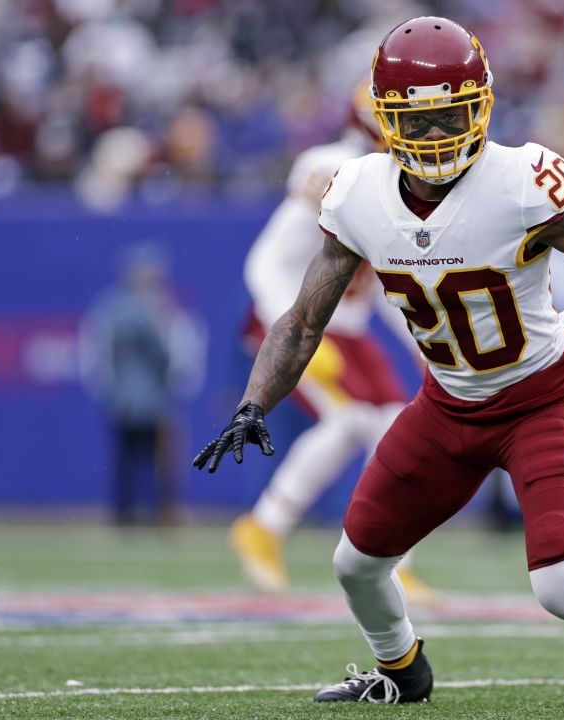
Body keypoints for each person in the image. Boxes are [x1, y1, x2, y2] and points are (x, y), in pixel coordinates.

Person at [194, 17, 564, 703]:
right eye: (414, 121)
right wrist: (254, 403)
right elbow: (304, 320)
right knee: (356, 565)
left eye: (448, 114)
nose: (432, 136)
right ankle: (401, 674)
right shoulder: (357, 193)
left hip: (537, 399)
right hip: (446, 404)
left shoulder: (520, 182)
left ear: (479, 105)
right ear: (384, 120)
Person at [232, 83, 435, 601]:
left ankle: (389, 557)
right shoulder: (338, 165)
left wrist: (423, 341)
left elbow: (392, 280)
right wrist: (290, 324)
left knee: (396, 431)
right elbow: (271, 252)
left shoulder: (395, 179)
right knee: (350, 422)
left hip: (347, 324)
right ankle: (266, 527)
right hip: (299, 318)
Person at [83, 244, 203, 526]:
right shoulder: (153, 310)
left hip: (122, 398)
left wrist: (109, 390)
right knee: (153, 459)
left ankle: (123, 514)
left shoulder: (111, 308)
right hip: (151, 399)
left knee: (125, 459)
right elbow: (164, 355)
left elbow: (99, 353)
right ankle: (153, 514)